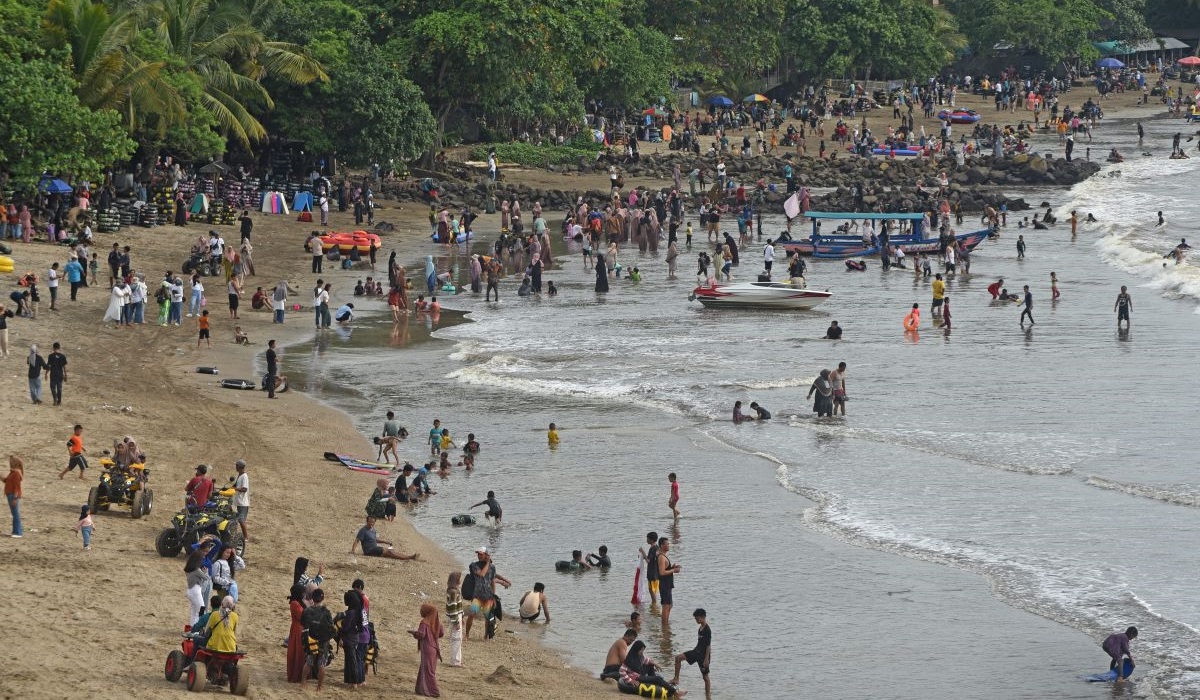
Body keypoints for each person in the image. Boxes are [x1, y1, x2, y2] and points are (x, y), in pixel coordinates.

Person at [464, 546, 512, 640]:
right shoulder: (474, 565)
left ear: (486, 555)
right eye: (478, 554)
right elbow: (482, 574)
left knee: (487, 618)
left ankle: (486, 636)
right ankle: (467, 635)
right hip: (477, 596)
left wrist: (504, 581)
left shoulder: (492, 567)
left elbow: (493, 578)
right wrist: (488, 562)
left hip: (488, 596)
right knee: (471, 615)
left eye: (481, 554)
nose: (479, 556)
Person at [300, 588, 335, 690]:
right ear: (322, 599)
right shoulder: (326, 612)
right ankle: (319, 687)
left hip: (311, 639)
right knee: (321, 663)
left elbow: (303, 625)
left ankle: (303, 682)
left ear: (312, 599)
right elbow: (331, 627)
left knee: (309, 661)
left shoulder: (307, 611)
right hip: (323, 641)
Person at [671, 609, 711, 695]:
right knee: (678, 658)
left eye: (697, 619)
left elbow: (708, 646)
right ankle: (676, 679)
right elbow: (700, 643)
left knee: (705, 677)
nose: (696, 620)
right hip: (696, 652)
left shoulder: (707, 630)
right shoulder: (700, 628)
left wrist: (706, 659)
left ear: (703, 617)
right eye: (695, 619)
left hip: (703, 656)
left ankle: (708, 695)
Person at [410, 602, 443, 696]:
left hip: (427, 650)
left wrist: (413, 633)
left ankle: (433, 692)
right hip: (435, 650)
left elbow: (421, 635)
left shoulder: (424, 622)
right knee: (428, 669)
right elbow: (441, 633)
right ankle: (421, 690)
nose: (421, 611)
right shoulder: (436, 623)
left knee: (428, 671)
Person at [351, 515, 419, 560]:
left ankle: (407, 556)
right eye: (370, 522)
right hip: (369, 551)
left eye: (373, 522)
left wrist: (386, 542)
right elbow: (357, 540)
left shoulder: (373, 529)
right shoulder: (363, 530)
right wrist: (353, 550)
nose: (371, 523)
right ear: (367, 521)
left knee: (391, 551)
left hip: (375, 549)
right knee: (389, 552)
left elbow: (375, 540)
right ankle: (409, 557)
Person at [341, 589, 368, 688]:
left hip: (349, 639)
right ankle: (353, 681)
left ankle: (353, 682)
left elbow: (346, 627)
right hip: (356, 637)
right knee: (353, 660)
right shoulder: (359, 610)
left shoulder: (350, 612)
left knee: (351, 661)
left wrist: (341, 631)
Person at [657, 537, 681, 626]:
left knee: (669, 605)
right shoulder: (661, 557)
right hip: (664, 584)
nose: (668, 545)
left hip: (667, 584)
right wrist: (673, 570)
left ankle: (665, 623)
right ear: (662, 545)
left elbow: (665, 569)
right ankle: (664, 625)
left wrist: (672, 567)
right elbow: (662, 572)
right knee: (666, 606)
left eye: (668, 543)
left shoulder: (663, 555)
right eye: (666, 544)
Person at [445, 572, 465, 667]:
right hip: (455, 617)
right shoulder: (453, 592)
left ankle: (457, 660)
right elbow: (453, 608)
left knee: (458, 639)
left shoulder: (453, 591)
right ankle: (455, 661)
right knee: (456, 639)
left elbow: (458, 607)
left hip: (457, 616)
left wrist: (462, 616)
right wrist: (456, 621)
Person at [3, 456, 24, 537]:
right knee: (14, 513)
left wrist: (15, 498)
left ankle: (18, 533)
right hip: (10, 494)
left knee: (15, 514)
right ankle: (15, 532)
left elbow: (17, 486)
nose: (10, 463)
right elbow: (8, 481)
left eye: (11, 462)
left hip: (13, 495)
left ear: (15, 463)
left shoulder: (16, 473)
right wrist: (2, 478)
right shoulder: (13, 472)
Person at [232, 460, 250, 542]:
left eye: (236, 465)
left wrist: (235, 489)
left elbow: (244, 489)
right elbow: (235, 485)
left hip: (243, 503)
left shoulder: (244, 476)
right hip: (238, 502)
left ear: (240, 467)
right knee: (238, 519)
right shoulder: (239, 475)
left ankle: (246, 537)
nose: (235, 467)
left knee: (241, 520)